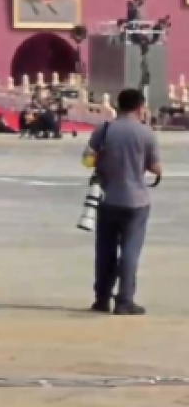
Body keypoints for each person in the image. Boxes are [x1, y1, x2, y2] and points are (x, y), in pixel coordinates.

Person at [85, 88, 161, 315]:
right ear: (140, 107)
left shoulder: (105, 129)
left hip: (107, 198)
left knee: (105, 251)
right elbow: (155, 167)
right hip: (136, 201)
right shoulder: (146, 133)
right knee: (130, 251)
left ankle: (102, 298)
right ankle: (125, 300)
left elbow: (87, 159)